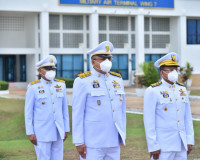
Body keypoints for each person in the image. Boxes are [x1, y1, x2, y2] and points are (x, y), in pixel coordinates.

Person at [72, 41, 126, 160]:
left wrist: (122, 135)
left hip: (113, 140)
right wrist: (78, 141)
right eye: (102, 59)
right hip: (92, 142)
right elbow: (77, 113)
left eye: (109, 58)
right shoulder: (82, 81)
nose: (106, 62)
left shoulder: (117, 80)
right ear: (93, 62)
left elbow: (121, 111)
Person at [143, 52, 194, 160]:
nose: (174, 72)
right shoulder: (153, 91)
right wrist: (153, 145)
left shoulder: (182, 89)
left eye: (176, 69)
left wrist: (189, 140)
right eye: (171, 70)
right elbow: (149, 121)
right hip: (163, 145)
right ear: (162, 72)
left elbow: (187, 117)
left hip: (181, 144)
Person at [24, 55, 70, 160]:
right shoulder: (33, 87)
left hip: (58, 130)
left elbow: (64, 109)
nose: (51, 71)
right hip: (42, 132)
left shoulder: (61, 85)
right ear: (40, 71)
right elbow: (28, 112)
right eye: (48, 69)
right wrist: (30, 132)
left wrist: (66, 128)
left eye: (53, 69)